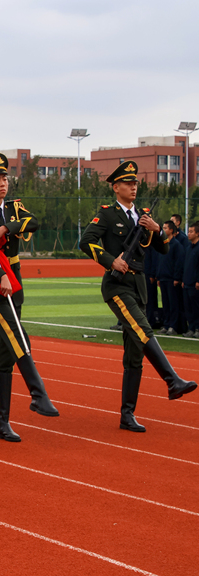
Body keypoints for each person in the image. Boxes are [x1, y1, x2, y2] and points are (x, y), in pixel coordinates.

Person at [80, 161, 197, 432]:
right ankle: (172, 380)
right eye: (128, 183)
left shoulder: (143, 216)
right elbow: (85, 241)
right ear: (116, 187)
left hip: (140, 287)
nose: (133, 187)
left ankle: (127, 415)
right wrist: (111, 261)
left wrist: (156, 229)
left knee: (134, 354)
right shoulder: (107, 215)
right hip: (117, 286)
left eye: (135, 183)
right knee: (143, 330)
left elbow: (163, 251)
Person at [0, 153, 59, 442]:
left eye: (5, 178)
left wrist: (7, 227)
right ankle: (38, 394)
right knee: (17, 336)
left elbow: (33, 223)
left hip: (15, 280)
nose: (3, 183)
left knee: (5, 353)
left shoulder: (15, 209)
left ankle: (2, 423)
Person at [156, 220, 185, 336]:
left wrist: (177, 278)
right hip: (163, 278)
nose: (164, 230)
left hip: (171, 279)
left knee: (173, 304)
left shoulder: (176, 245)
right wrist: (158, 276)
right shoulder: (163, 244)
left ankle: (173, 326)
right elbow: (160, 261)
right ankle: (167, 324)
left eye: (165, 228)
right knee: (166, 304)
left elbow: (179, 262)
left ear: (171, 230)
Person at [182, 222, 199, 337]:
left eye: (191, 231)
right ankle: (191, 328)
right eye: (188, 231)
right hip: (187, 282)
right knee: (188, 307)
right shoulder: (188, 247)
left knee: (196, 307)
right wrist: (183, 279)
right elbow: (186, 265)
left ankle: (198, 328)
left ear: (197, 234)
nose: (188, 233)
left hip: (195, 283)